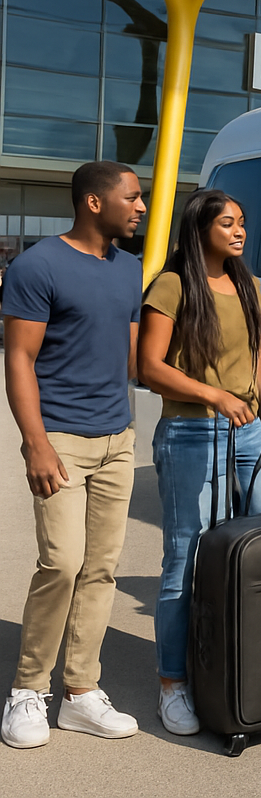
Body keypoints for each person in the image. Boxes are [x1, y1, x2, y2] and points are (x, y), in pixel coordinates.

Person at [137, 188, 261, 735]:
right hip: (189, 434)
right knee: (186, 556)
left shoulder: (245, 284)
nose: (239, 231)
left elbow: (258, 360)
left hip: (249, 433)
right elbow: (149, 368)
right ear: (200, 226)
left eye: (243, 222)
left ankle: (240, 669)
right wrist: (213, 396)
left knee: (253, 553)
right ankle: (172, 684)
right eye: (227, 222)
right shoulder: (173, 284)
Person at [2, 161, 146, 749]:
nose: (140, 206)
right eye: (132, 197)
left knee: (101, 568)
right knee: (60, 564)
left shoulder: (129, 268)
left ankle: (81, 692)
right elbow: (18, 360)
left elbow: (133, 360)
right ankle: (27, 690)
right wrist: (35, 442)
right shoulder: (38, 265)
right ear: (93, 202)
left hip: (118, 441)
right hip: (59, 438)